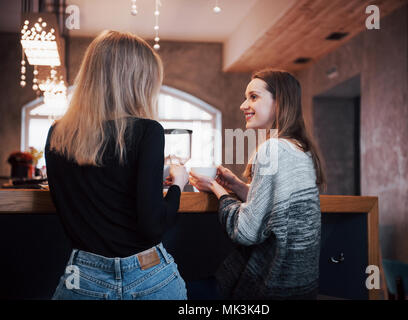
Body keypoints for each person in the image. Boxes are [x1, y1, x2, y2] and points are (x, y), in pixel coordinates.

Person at [45, 30, 189, 300]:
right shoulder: (148, 131)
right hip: (148, 275)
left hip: (81, 276)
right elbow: (153, 226)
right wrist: (178, 185)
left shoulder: (58, 133)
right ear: (138, 81)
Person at [189, 69, 325, 300]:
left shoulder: (273, 149)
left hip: (266, 288)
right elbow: (277, 208)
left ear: (279, 102)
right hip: (298, 288)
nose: (243, 105)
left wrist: (216, 188)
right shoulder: (300, 149)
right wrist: (237, 185)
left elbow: (246, 231)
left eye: (253, 97)